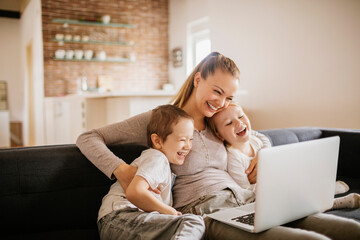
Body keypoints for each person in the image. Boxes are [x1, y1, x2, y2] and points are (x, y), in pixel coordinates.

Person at [77, 52, 360, 240]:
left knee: (345, 229)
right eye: (217, 91)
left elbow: (249, 135)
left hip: (250, 201)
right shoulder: (163, 120)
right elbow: (87, 137)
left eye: (230, 96)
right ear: (198, 79)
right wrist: (122, 171)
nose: (222, 102)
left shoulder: (218, 121)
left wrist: (265, 155)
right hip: (209, 212)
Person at [208, 102, 360, 211]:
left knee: (301, 180)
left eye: (241, 116)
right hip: (266, 192)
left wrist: (263, 154)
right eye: (228, 123)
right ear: (219, 135)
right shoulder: (234, 156)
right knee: (294, 196)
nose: (238, 123)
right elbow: (244, 190)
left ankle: (326, 188)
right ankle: (334, 202)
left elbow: (263, 138)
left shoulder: (254, 139)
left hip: (281, 180)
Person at [97, 104, 205, 240]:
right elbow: (134, 192)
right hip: (120, 217)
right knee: (193, 222)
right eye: (182, 140)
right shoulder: (157, 158)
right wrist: (170, 212)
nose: (188, 146)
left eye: (190, 140)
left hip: (120, 222)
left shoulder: (160, 162)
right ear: (157, 141)